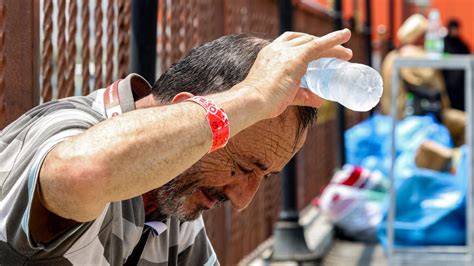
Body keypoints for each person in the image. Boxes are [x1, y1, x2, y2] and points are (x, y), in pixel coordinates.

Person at [0, 30, 352, 264]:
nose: (243, 200)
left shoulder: (173, 193)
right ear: (190, 114)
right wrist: (253, 96)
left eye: (265, 175)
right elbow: (81, 174)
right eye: (243, 167)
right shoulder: (68, 127)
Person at [443, 19, 471, 111]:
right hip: (446, 83)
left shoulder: (462, 45)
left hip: (460, 85)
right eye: (452, 28)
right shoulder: (443, 43)